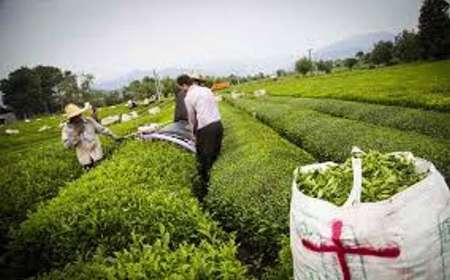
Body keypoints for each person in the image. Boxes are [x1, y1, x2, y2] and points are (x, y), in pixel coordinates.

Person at [177, 74, 223, 200]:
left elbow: (191, 118)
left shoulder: (188, 97)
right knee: (216, 155)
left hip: (206, 129)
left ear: (185, 85)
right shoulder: (207, 90)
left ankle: (207, 192)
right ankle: (217, 185)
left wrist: (193, 134)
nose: (183, 90)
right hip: (218, 125)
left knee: (204, 161)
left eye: (182, 87)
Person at [61, 103, 120, 171]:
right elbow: (67, 145)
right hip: (85, 161)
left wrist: (114, 136)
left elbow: (102, 130)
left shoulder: (89, 121)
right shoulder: (67, 129)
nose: (77, 117)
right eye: (74, 117)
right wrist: (76, 134)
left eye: (78, 115)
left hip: (98, 155)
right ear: (71, 118)